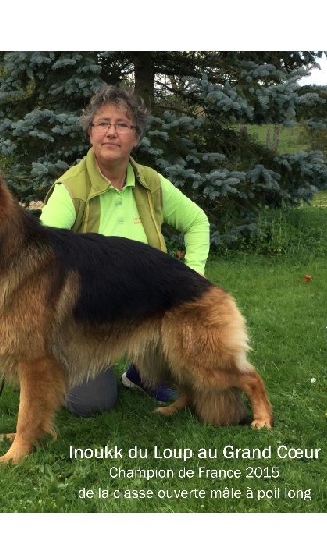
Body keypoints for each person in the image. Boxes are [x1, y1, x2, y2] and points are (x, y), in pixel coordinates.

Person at [40, 84, 211, 416]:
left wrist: (193, 276)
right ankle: (65, 369)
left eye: (122, 124)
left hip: (151, 311)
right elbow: (43, 251)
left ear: (136, 136)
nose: (111, 132)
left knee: (198, 377)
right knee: (90, 404)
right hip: (87, 319)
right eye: (102, 123)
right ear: (90, 132)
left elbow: (197, 222)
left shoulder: (152, 182)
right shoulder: (70, 189)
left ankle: (141, 371)